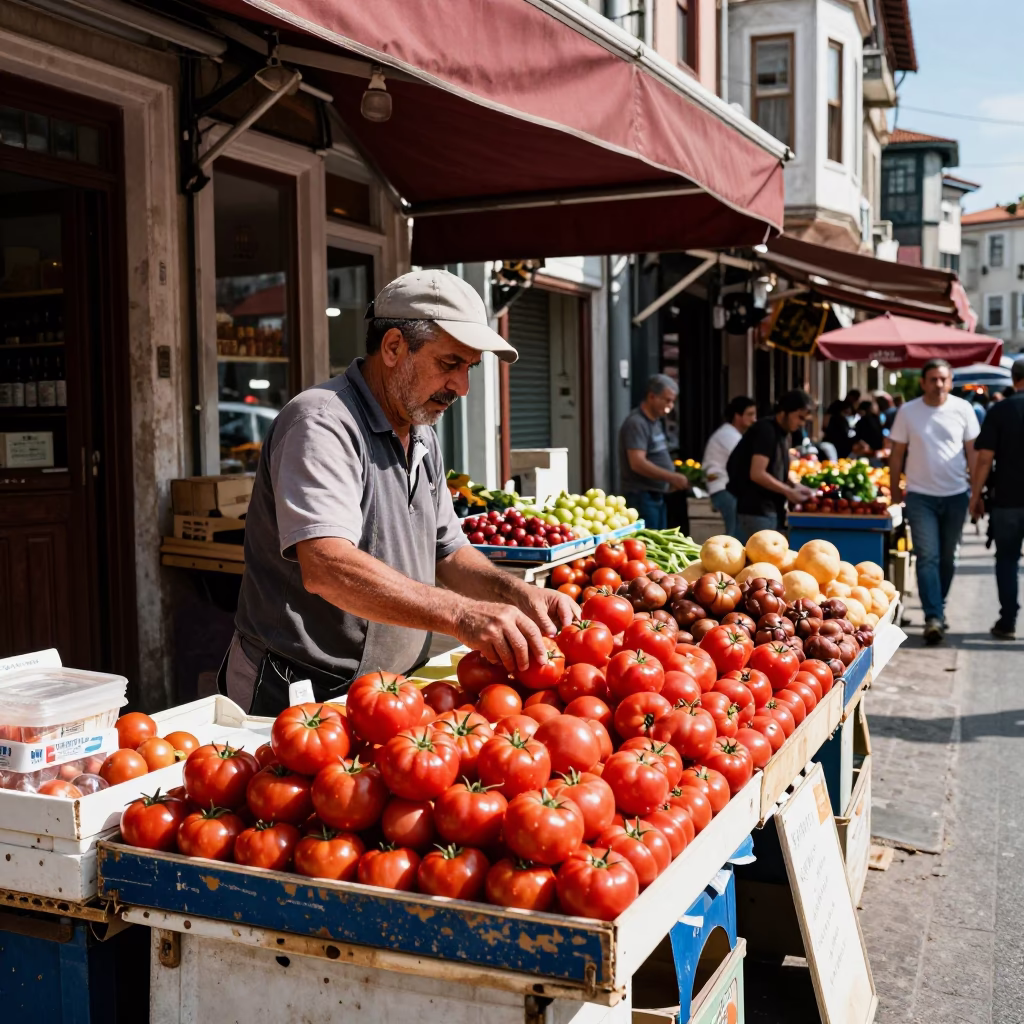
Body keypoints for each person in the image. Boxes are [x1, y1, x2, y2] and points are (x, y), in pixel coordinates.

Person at [222, 269, 579, 714]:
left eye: (469, 368)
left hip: (384, 689)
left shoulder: (421, 432)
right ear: (393, 348)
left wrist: (516, 594)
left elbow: (447, 551)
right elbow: (326, 565)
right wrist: (462, 615)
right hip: (296, 687)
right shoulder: (321, 423)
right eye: (449, 364)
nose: (462, 387)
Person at [889, 358, 979, 645]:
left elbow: (974, 453)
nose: (938, 384)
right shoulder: (908, 411)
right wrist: (894, 493)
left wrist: (976, 492)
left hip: (956, 495)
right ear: (923, 382)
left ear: (950, 381)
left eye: (943, 379)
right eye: (933, 379)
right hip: (919, 496)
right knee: (927, 556)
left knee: (949, 556)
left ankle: (937, 606)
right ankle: (933, 616)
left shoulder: (963, 408)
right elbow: (896, 454)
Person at [969, 358, 1024, 640]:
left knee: (1007, 560)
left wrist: (975, 495)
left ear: (1014, 379)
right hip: (1007, 501)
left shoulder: (1000, 410)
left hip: (1008, 499)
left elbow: (984, 459)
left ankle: (1008, 620)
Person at [726, 390, 816, 542]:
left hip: (771, 510)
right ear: (784, 411)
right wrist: (788, 491)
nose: (801, 424)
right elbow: (757, 473)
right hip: (757, 510)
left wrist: (795, 486)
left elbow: (776, 470)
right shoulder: (765, 431)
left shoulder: (784, 433)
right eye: (799, 417)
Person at [619, 374, 688, 530]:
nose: (670, 406)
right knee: (649, 546)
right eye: (667, 400)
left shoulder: (655, 422)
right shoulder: (636, 423)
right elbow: (637, 462)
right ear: (652, 396)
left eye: (673, 401)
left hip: (657, 494)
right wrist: (671, 477)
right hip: (642, 496)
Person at [702, 396, 757, 538]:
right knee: (735, 534)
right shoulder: (728, 435)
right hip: (723, 489)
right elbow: (748, 460)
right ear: (737, 416)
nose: (754, 419)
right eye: (750, 414)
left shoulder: (734, 434)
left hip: (726, 489)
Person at [822, 390, 859, 458]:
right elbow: (826, 422)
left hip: (843, 446)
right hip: (834, 442)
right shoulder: (836, 409)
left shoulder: (849, 414)